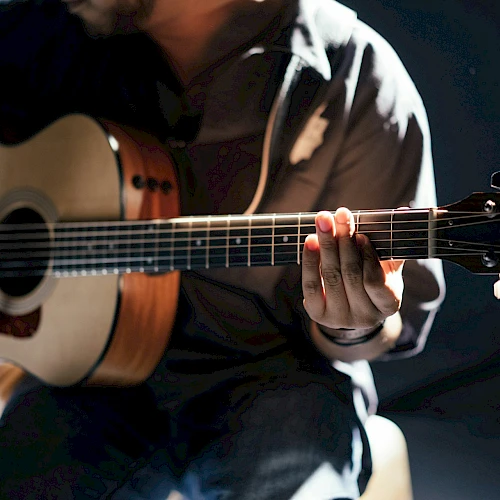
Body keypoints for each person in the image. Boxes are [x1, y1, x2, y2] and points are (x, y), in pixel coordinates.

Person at [0, 0, 445, 498]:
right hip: (77, 383)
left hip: (277, 381)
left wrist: (354, 317)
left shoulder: (355, 74)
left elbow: (386, 330)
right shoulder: (35, 34)